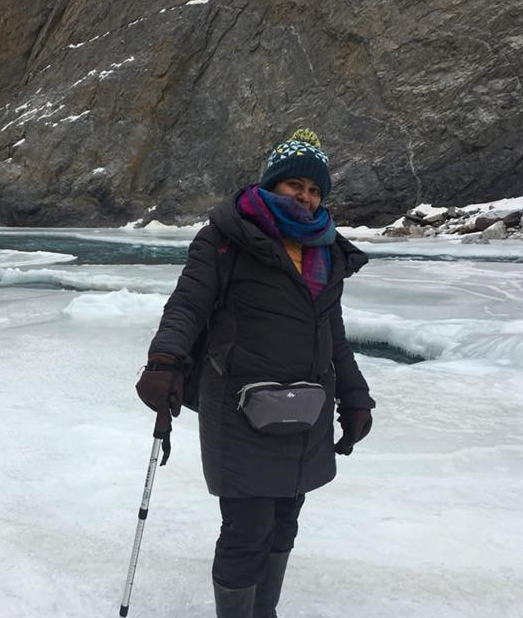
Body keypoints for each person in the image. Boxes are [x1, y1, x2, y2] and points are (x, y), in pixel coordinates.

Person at [135, 129, 375, 618]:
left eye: (315, 189)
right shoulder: (225, 239)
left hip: (306, 410)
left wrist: (354, 396)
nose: (305, 197)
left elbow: (334, 337)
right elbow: (187, 306)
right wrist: (164, 362)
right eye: (295, 185)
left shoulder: (326, 252)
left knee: (284, 523)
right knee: (248, 529)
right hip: (239, 408)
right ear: (271, 185)